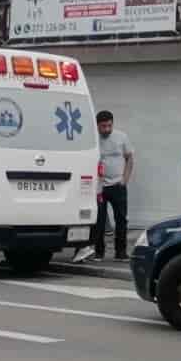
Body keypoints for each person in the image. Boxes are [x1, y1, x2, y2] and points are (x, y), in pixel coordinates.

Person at [75, 110, 134, 263]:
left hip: (118, 185)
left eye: (109, 125)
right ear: (97, 126)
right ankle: (99, 253)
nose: (106, 129)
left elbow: (129, 158)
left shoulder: (122, 137)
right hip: (99, 187)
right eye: (103, 126)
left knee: (121, 219)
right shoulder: (93, 140)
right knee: (98, 220)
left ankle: (120, 253)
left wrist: (125, 180)